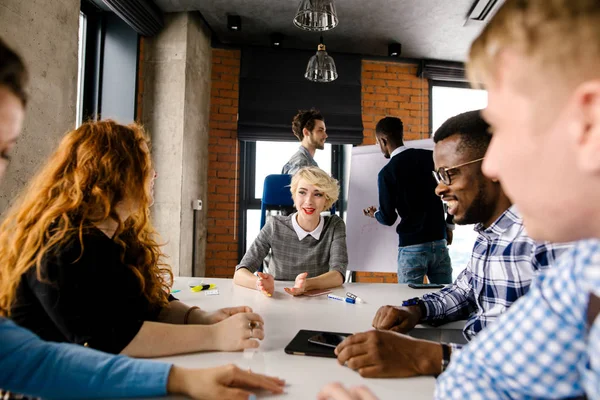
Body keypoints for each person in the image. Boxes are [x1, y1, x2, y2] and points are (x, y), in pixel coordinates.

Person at [0, 37, 284, 400]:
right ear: (115, 176)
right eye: (145, 168)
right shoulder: (61, 243)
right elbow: (110, 339)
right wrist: (214, 336)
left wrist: (199, 317)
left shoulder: (113, 234)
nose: (153, 177)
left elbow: (146, 303)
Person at [435, 1, 600, 398]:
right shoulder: (585, 265)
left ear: (590, 125)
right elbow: (479, 376)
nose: (493, 166)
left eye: (504, 129)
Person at [333, 110, 569, 379]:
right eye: (438, 176)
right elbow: (464, 292)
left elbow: (555, 359)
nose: (439, 189)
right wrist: (415, 310)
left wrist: (426, 356)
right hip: (471, 376)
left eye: (449, 174)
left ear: (494, 166)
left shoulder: (548, 239)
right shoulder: (489, 233)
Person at [363, 116, 452, 284]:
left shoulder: (387, 173)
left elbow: (389, 218)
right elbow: (451, 184)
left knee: (408, 304)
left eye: (377, 142)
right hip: (439, 242)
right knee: (445, 300)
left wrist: (375, 214)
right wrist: (449, 224)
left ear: (383, 140)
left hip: (412, 248)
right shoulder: (428, 157)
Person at [234, 166, 347, 296]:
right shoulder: (274, 225)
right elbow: (239, 273)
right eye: (302, 192)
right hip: (278, 298)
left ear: (326, 199)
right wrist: (259, 284)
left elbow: (338, 275)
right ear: (294, 195)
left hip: (319, 301)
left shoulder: (335, 225)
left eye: (317, 194)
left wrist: (306, 284)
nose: (308, 201)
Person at [281, 109, 327, 175]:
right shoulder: (301, 165)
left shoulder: (308, 163)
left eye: (324, 131)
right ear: (306, 132)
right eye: (320, 130)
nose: (325, 135)